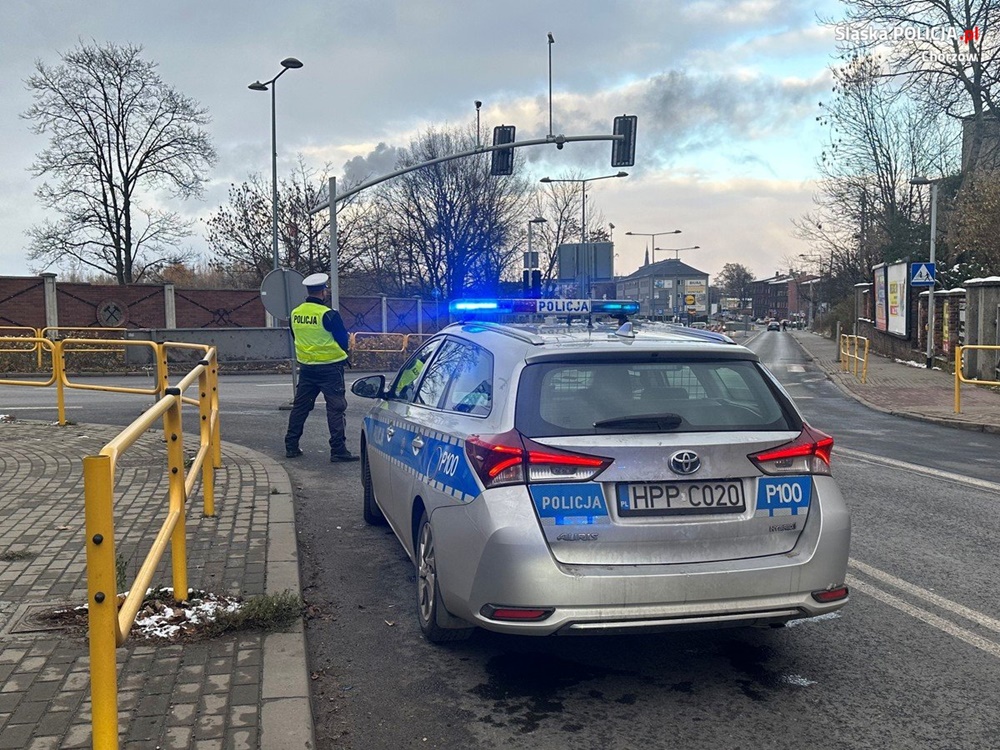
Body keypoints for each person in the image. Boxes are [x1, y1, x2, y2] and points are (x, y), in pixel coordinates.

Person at [284, 273, 359, 462]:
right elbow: (343, 339)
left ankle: (291, 446)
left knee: (300, 407)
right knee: (335, 409)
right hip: (330, 369)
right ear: (323, 291)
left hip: (307, 368)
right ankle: (338, 450)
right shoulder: (329, 314)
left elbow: (296, 336)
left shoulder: (295, 313)